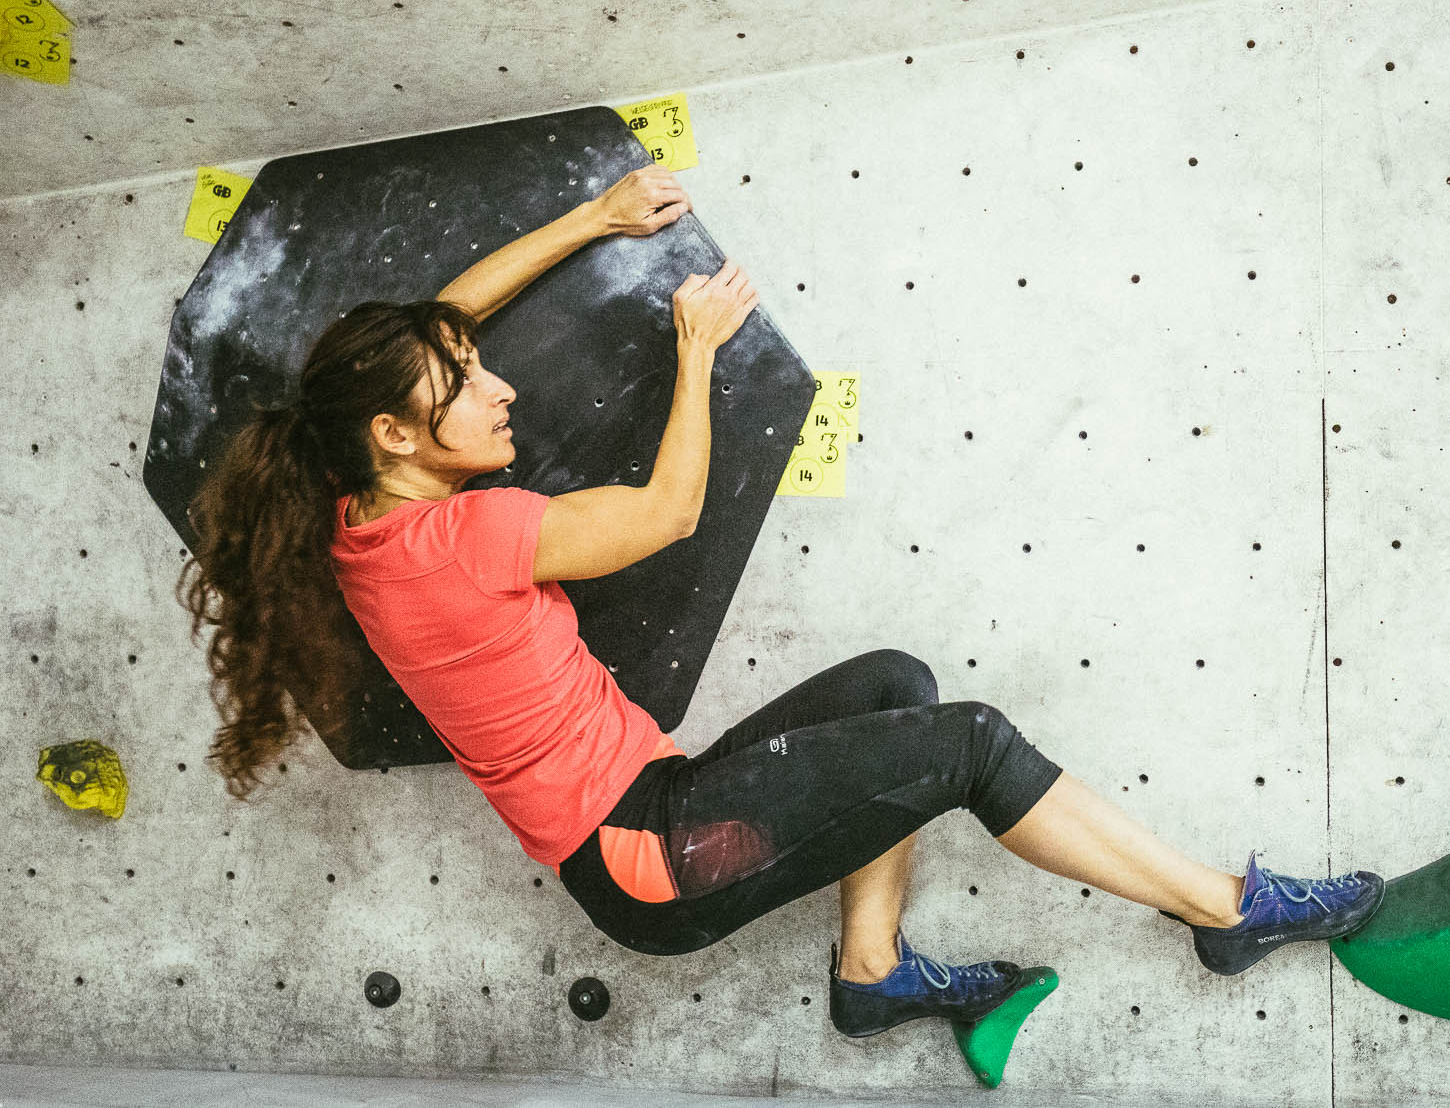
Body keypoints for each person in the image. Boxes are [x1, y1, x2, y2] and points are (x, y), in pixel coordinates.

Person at [175, 163, 1383, 1038]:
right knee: (968, 741)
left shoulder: (355, 512)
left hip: (654, 817)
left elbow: (441, 319)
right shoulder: (466, 536)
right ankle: (1226, 908)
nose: (499, 388)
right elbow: (666, 514)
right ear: (397, 431)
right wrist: (697, 349)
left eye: (477, 365)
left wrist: (593, 219)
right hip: (656, 857)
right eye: (468, 382)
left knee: (894, 684)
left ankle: (872, 972)